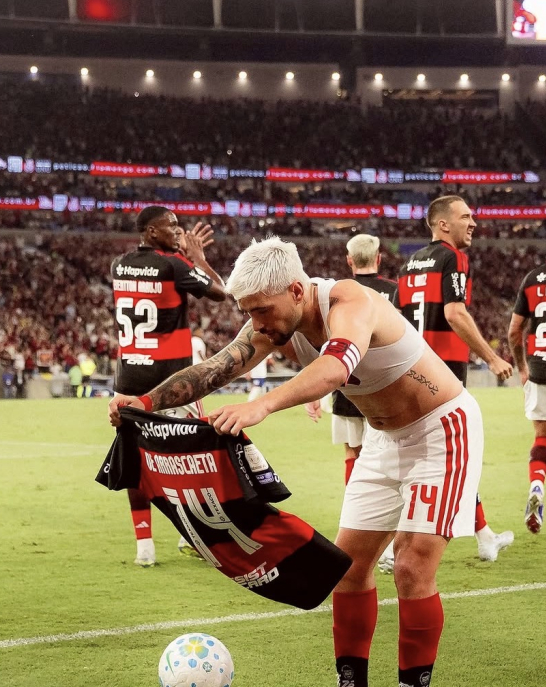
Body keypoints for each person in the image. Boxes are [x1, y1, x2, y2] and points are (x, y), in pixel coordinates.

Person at [110, 236, 485, 687]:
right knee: (347, 568)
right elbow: (217, 368)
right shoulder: (274, 324)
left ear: (295, 290)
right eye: (248, 312)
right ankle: (352, 682)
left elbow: (334, 368)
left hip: (440, 430)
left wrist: (261, 405)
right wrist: (146, 402)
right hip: (383, 439)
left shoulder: (349, 301)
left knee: (410, 567)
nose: (256, 323)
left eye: (261, 310)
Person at [396, 195, 514, 563]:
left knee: (423, 459)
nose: (474, 223)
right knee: (454, 459)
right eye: (466, 217)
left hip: (408, 371)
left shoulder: (407, 265)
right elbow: (455, 312)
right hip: (443, 375)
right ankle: (395, 546)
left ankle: (483, 535)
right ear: (443, 224)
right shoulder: (453, 258)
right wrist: (492, 357)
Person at [110, 206, 227, 567]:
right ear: (149, 231)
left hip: (129, 377)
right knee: (190, 458)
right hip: (173, 382)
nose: (178, 231)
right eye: (170, 226)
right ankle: (188, 536)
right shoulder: (174, 265)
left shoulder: (119, 264)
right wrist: (198, 259)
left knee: (135, 461)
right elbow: (221, 293)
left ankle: (144, 546)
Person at [306, 234, 397, 486]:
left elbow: (322, 342)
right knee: (383, 458)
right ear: (378, 258)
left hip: (346, 385)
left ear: (349, 261)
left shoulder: (334, 293)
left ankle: (354, 514)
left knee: (352, 454)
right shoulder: (394, 291)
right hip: (385, 388)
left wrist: (313, 390)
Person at [507, 219, 546, 534]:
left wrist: (523, 368)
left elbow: (515, 331)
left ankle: (537, 487)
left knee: (544, 439)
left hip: (541, 370)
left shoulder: (533, 279)